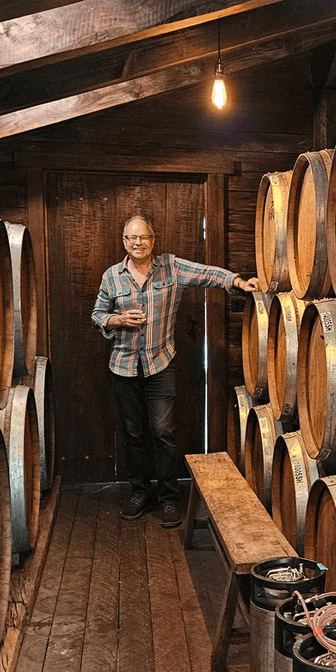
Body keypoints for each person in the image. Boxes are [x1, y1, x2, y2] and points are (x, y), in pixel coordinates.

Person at [92, 215, 259, 527]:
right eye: (131, 238)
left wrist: (237, 281)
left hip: (160, 364)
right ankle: (140, 493)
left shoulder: (171, 267)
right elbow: (97, 313)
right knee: (133, 434)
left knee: (164, 433)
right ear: (124, 242)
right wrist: (117, 320)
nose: (137, 243)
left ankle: (169, 498)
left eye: (143, 237)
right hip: (123, 367)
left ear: (153, 240)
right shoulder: (112, 276)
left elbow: (207, 274)